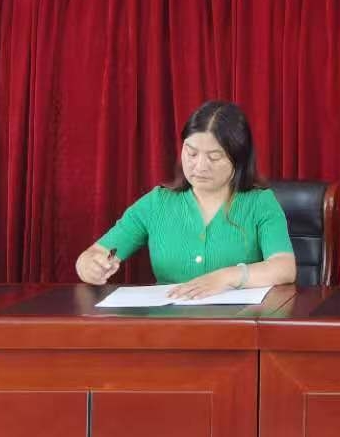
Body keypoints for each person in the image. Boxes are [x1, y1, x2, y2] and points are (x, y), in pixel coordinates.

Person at [75, 100, 297, 297]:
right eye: (191, 153)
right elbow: (98, 253)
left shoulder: (260, 203)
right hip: (169, 324)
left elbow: (284, 267)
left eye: (214, 157)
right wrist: (90, 266)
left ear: (238, 160)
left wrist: (225, 277)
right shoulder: (157, 203)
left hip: (238, 323)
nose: (199, 166)